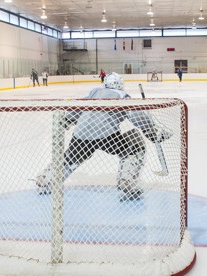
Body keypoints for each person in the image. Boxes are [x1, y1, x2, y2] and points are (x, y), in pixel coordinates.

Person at [33, 72, 172, 201]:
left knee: (69, 159)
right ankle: (127, 181)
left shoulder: (94, 92)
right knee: (135, 142)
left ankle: (46, 180)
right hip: (107, 136)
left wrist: (68, 120)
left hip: (81, 135)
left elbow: (78, 106)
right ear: (120, 85)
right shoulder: (121, 95)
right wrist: (151, 131)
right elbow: (135, 114)